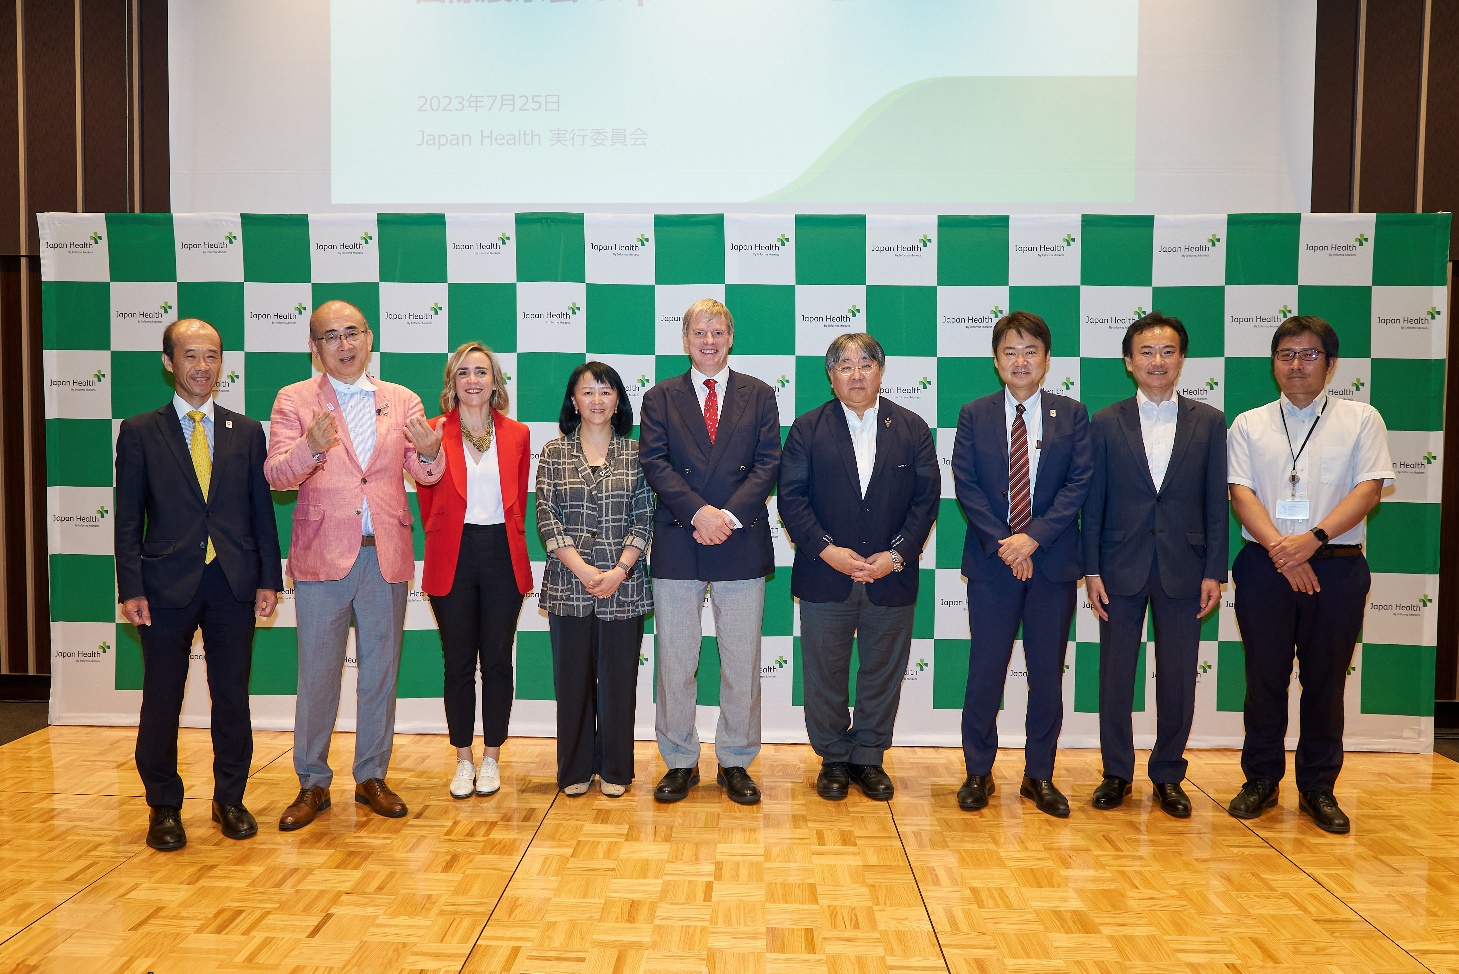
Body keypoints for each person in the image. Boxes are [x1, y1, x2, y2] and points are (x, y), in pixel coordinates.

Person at [264, 300, 444, 830]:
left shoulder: (400, 399)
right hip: (322, 557)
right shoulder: (294, 401)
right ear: (314, 348)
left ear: (369, 338)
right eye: (331, 337)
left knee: (380, 674)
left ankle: (371, 776)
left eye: (353, 333)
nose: (344, 345)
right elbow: (276, 475)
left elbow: (426, 474)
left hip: (384, 555)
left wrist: (432, 454)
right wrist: (310, 449)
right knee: (317, 675)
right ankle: (312, 783)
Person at [114, 318, 282, 851]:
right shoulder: (141, 431)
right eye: (191, 356)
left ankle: (229, 798)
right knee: (161, 698)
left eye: (211, 355)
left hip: (233, 582)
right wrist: (131, 586)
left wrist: (269, 579)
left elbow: (262, 513)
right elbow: (126, 519)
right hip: (164, 585)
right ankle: (164, 805)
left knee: (231, 696)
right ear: (169, 363)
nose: (202, 366)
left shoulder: (248, 431)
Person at [1225, 315, 1393, 834]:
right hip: (1266, 566)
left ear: (1330, 363)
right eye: (1286, 355)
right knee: (1264, 680)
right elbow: (1240, 491)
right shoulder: (1249, 423)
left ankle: (1318, 786)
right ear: (1274, 363)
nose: (1296, 364)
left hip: (1337, 568)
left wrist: (1312, 541)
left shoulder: (1361, 419)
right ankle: (1261, 780)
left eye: (1309, 354)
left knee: (1324, 683)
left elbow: (1368, 488)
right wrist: (1282, 550)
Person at [778, 334, 938, 802]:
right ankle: (832, 757)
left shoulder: (911, 427)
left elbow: (925, 501)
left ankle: (868, 757)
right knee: (824, 673)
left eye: (864, 364)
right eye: (844, 365)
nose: (855, 373)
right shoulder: (807, 429)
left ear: (880, 372)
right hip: (825, 574)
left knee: (882, 671)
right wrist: (828, 550)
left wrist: (895, 555)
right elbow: (792, 498)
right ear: (830, 376)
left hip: (892, 575)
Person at [1081, 312, 1227, 817]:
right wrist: (1091, 568)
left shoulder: (1209, 422)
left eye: (1167, 351)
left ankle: (1168, 774)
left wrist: (1215, 570)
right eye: (1146, 352)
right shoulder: (1103, 421)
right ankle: (1116, 773)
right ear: (1128, 362)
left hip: (1185, 570)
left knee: (1178, 677)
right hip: (1118, 568)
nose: (1157, 361)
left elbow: (1216, 503)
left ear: (1182, 359)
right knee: (1116, 677)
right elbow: (1092, 502)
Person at [638, 298, 781, 805]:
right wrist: (698, 513)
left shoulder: (761, 395)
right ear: (685, 340)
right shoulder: (660, 398)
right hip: (680, 539)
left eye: (718, 331)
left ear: (731, 337)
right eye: (700, 331)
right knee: (676, 661)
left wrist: (727, 517)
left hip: (740, 540)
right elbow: (654, 463)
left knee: (741, 661)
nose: (709, 340)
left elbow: (768, 464)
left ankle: (736, 761)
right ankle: (679, 760)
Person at [952, 310, 1091, 817]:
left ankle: (1039, 775)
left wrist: (1031, 540)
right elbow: (966, 484)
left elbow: (1078, 484)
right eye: (1010, 351)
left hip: (1052, 564)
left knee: (1046, 675)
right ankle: (977, 772)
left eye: (1031, 351)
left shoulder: (1072, 415)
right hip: (992, 565)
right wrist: (1007, 544)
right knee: (985, 670)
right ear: (996, 360)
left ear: (1047, 360)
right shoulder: (975, 413)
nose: (1020, 360)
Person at [417, 342, 532, 799]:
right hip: (453, 553)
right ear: (452, 382)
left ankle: (492, 758)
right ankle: (463, 760)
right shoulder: (431, 430)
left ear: (495, 381)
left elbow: (519, 498)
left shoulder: (518, 433)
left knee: (498, 659)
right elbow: (427, 496)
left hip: (502, 551)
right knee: (459, 662)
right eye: (463, 372)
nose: (472, 380)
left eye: (481, 372)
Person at [535, 362, 655, 797]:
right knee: (572, 681)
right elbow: (546, 516)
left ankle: (617, 770)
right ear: (573, 401)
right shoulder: (553, 452)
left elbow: (644, 517)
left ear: (618, 400)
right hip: (569, 583)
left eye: (606, 392)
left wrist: (620, 569)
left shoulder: (638, 453)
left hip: (624, 584)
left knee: (619, 680)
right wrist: (583, 570)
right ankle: (575, 770)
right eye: (588, 392)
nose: (597, 400)